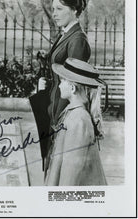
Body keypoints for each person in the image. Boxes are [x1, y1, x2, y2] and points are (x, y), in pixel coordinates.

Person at [30, 0, 91, 172]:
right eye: (53, 9)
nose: (54, 13)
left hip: (62, 111)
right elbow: (60, 73)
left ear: (74, 10)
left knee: (59, 169)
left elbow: (75, 84)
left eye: (59, 9)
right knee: (51, 167)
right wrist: (46, 84)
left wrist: (62, 120)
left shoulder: (77, 39)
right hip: (53, 105)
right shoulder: (66, 34)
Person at [45, 58, 107, 186]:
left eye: (62, 81)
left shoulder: (79, 120)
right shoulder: (73, 113)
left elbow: (71, 172)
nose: (60, 85)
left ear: (73, 88)